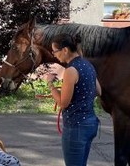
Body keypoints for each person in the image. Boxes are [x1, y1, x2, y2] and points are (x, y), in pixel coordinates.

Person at [43, 33, 100, 166]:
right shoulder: (88, 64)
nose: (54, 55)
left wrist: (50, 84)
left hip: (76, 127)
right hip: (90, 123)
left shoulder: (71, 70)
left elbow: (63, 103)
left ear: (65, 50)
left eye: (55, 51)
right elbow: (98, 91)